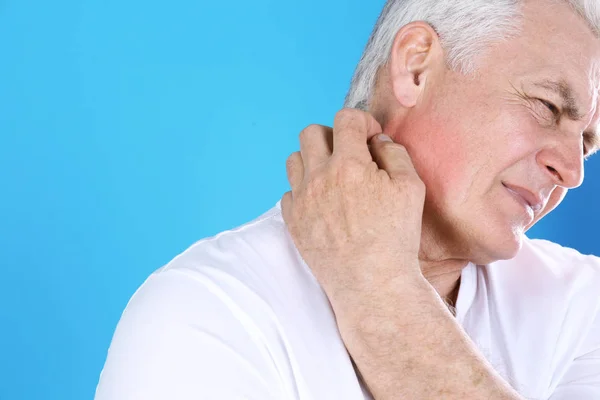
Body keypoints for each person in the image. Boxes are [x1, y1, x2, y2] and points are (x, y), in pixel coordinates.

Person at [95, 0, 600, 399]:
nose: (574, 171)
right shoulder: (205, 310)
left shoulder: (583, 306)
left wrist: (380, 289)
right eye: (547, 106)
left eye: (587, 141)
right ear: (416, 67)